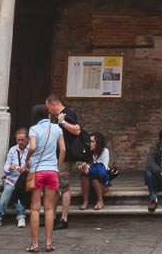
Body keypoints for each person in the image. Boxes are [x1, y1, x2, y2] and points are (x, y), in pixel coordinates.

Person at [27, 103, 66, 254]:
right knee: (50, 207)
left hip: (37, 170)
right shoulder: (57, 128)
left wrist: (27, 160)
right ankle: (49, 243)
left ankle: (35, 244)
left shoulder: (34, 129)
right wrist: (58, 164)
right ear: (48, 115)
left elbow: (32, 147)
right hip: (52, 170)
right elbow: (63, 149)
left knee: (35, 208)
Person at [47, 95, 85, 230]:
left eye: (48, 108)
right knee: (55, 187)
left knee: (64, 186)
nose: (48, 111)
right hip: (54, 155)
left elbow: (77, 130)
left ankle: (64, 218)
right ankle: (52, 217)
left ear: (53, 104)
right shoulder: (54, 116)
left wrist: (62, 122)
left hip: (65, 156)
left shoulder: (68, 113)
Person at [0, 127, 30, 229]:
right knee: (8, 190)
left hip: (24, 180)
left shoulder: (31, 150)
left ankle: (20, 216)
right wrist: (10, 168)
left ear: (28, 139)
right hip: (11, 179)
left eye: (22, 140)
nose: (20, 142)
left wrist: (26, 169)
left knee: (18, 192)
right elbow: (5, 167)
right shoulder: (13, 150)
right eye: (18, 140)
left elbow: (35, 168)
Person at [84, 132, 113, 212]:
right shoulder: (89, 152)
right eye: (89, 141)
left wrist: (89, 169)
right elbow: (87, 166)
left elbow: (103, 169)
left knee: (94, 177)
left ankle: (100, 201)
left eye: (92, 142)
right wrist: (84, 167)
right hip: (90, 180)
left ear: (98, 143)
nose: (90, 143)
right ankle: (85, 201)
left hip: (103, 179)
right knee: (84, 176)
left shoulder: (105, 151)